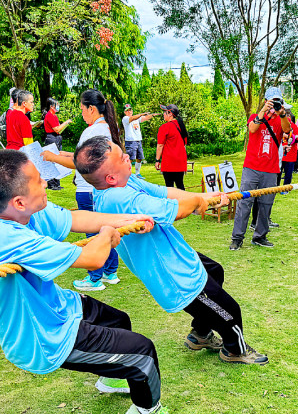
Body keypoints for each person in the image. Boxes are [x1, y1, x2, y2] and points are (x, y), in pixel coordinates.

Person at [0, 150, 183, 414]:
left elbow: (75, 218)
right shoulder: (2, 237)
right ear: (18, 201)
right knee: (142, 353)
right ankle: (147, 413)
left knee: (118, 320)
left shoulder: (8, 209)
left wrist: (133, 217)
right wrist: (106, 236)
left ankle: (111, 376)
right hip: (41, 335)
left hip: (56, 305)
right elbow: (93, 258)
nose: (46, 183)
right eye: (39, 181)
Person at [75, 137, 269, 365]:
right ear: (110, 178)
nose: (128, 156)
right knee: (230, 313)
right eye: (122, 157)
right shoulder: (118, 197)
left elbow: (163, 192)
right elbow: (173, 209)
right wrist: (198, 203)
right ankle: (235, 350)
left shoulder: (125, 182)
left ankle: (200, 334)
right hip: (172, 274)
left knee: (215, 271)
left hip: (177, 255)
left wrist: (204, 197)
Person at [42, 89, 122, 292]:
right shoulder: (106, 128)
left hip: (88, 189)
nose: (82, 113)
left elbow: (80, 163)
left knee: (92, 233)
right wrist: (63, 153)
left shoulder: (92, 131)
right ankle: (110, 271)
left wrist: (52, 158)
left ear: (92, 108)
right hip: (99, 188)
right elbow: (83, 156)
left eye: (82, 109)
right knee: (105, 227)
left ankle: (94, 277)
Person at [228, 88, 292, 250]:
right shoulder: (255, 117)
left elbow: (286, 130)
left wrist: (283, 113)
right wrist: (264, 111)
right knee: (244, 203)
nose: (275, 105)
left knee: (266, 203)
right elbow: (252, 129)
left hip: (271, 170)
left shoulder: (281, 119)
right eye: (272, 101)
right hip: (251, 167)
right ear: (265, 101)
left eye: (278, 101)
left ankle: (260, 236)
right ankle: (237, 238)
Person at [155, 104, 188, 190]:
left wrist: (157, 160)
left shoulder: (164, 127)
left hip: (169, 162)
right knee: (180, 185)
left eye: (164, 112)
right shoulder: (181, 126)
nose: (163, 114)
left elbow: (160, 145)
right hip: (180, 161)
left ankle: (173, 203)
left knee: (169, 188)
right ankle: (185, 202)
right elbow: (184, 144)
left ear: (170, 113)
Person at [43, 97, 71, 190]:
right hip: (51, 138)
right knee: (52, 160)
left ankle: (57, 182)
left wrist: (65, 125)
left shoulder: (54, 116)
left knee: (58, 160)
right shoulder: (49, 116)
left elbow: (59, 130)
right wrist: (66, 122)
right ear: (51, 106)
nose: (58, 106)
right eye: (57, 105)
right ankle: (51, 184)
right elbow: (57, 129)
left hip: (57, 137)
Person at [122, 104, 153, 179]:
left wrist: (153, 115)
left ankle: (137, 173)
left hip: (138, 140)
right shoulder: (125, 118)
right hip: (130, 141)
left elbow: (145, 118)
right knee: (130, 158)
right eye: (127, 110)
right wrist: (141, 114)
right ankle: (125, 173)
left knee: (140, 157)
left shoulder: (136, 119)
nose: (129, 111)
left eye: (130, 110)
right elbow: (132, 118)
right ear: (125, 112)